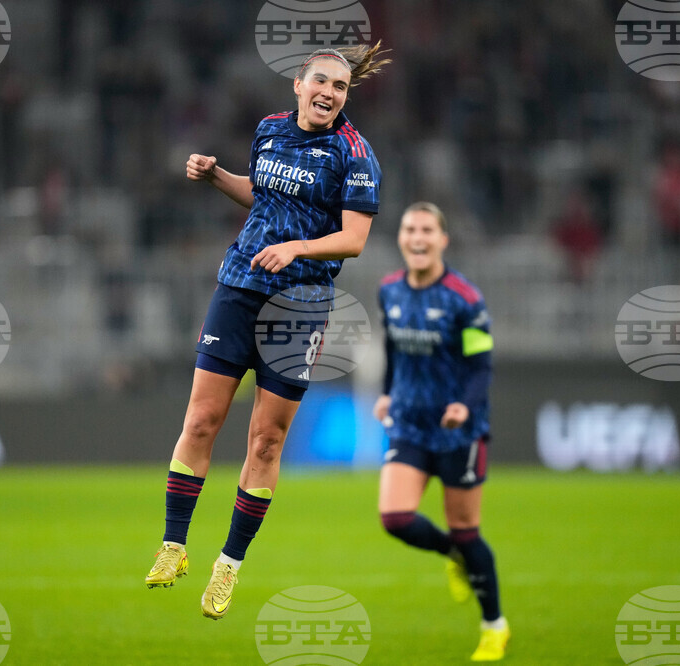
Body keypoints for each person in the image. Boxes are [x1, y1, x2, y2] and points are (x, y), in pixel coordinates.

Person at [145, 43, 390, 620]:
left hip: (299, 304)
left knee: (266, 441)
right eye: (322, 81)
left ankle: (227, 565)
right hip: (238, 286)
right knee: (201, 420)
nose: (330, 92)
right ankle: (174, 546)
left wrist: (298, 248)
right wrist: (216, 177)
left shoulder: (355, 154)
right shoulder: (270, 130)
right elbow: (262, 196)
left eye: (342, 87)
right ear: (298, 86)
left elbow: (354, 239)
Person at [373, 202, 508, 661]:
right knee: (395, 518)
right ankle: (454, 554)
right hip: (409, 423)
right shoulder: (389, 290)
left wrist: (463, 407)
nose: (418, 237)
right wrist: (388, 392)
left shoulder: (465, 300)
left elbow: (481, 365)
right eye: (410, 228)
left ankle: (494, 625)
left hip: (459, 433)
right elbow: (393, 350)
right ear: (400, 237)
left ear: (442, 239)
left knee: (467, 530)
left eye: (427, 230)